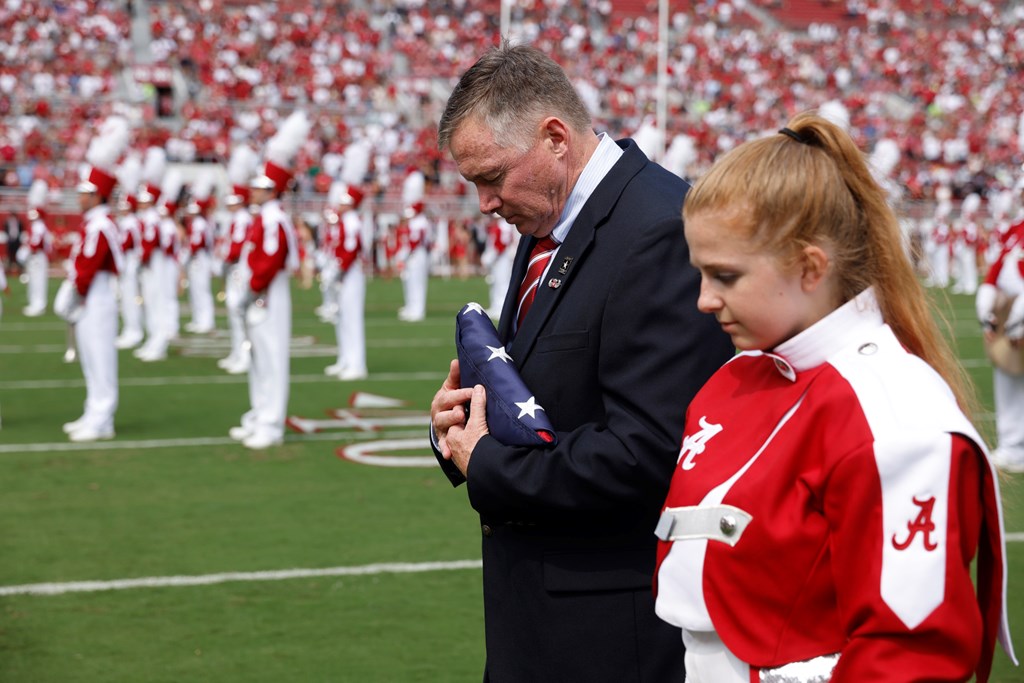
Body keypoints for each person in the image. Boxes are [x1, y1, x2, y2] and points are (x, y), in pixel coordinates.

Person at [653, 113, 1015, 681]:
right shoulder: (731, 378)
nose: (703, 299)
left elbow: (910, 652)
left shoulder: (893, 410)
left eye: (724, 276)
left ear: (809, 266)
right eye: (699, 273)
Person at [429, 43, 733, 682]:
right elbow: (542, 395)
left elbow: (650, 453)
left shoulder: (655, 230)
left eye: (491, 176)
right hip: (543, 615)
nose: (484, 202)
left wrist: (488, 463)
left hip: (606, 631)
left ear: (555, 138)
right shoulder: (555, 216)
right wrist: (460, 423)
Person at [228, 110, 308, 450]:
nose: (253, 191)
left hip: (268, 295)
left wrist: (252, 287)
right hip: (259, 293)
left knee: (271, 359)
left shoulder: (273, 218)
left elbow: (272, 259)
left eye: (260, 187)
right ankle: (260, 415)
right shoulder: (265, 216)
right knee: (259, 358)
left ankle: (271, 423)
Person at [57, 116, 129, 442]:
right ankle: (93, 412)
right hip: (90, 295)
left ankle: (102, 418)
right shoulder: (94, 223)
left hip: (96, 295)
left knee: (100, 358)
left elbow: (90, 264)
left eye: (86, 192)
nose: (80, 196)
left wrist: (75, 291)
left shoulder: (100, 225)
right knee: (89, 356)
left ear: (97, 195)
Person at [976, 196, 1024, 473]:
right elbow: (994, 275)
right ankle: (1012, 445)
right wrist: (988, 314)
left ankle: (1015, 446)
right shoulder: (1015, 229)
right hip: (1008, 314)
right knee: (1007, 379)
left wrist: (1018, 322)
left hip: (1018, 315)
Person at [322, 180, 368, 381]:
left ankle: (357, 364)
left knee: (351, 319)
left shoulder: (351, 220)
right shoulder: (344, 220)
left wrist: (338, 269)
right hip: (343, 272)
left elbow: (350, 249)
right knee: (341, 317)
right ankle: (345, 359)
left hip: (351, 274)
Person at [21, 178, 51, 316]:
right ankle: (35, 303)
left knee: (38, 281)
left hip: (37, 257)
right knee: (34, 281)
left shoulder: (39, 226)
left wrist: (27, 250)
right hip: (34, 257)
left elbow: (37, 243)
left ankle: (39, 304)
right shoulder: (36, 226)